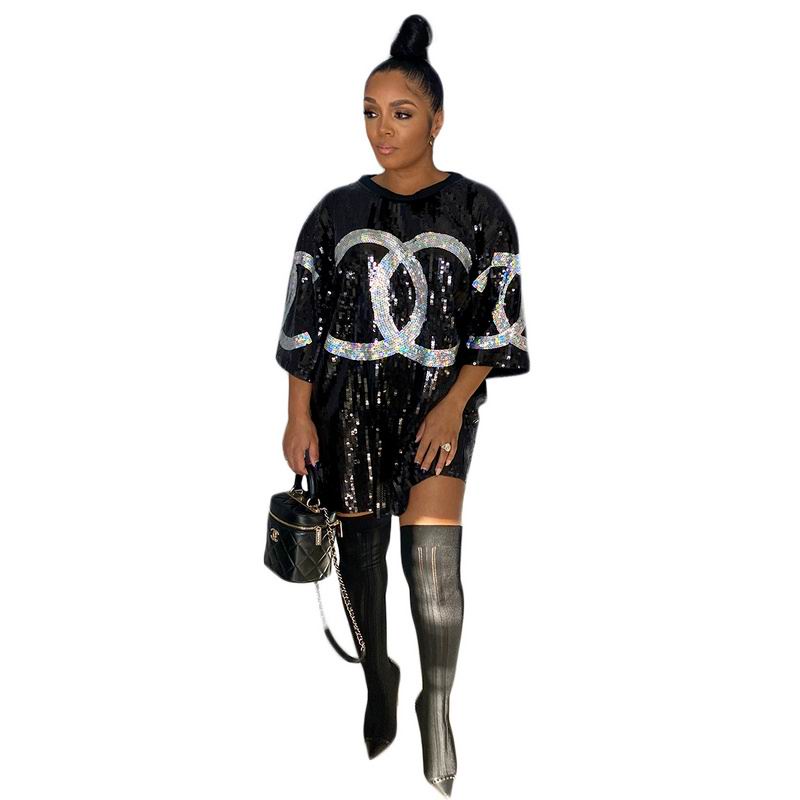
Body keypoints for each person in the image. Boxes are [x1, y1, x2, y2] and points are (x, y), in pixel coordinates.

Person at [276, 14, 530, 797]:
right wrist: (297, 415)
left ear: (437, 119)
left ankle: (438, 703)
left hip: (436, 404)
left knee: (432, 568)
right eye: (369, 112)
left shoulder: (480, 210)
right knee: (360, 561)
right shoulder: (333, 211)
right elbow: (305, 321)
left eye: (401, 113)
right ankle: (377, 676)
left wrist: (454, 404)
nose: (381, 129)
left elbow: (497, 327)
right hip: (344, 406)